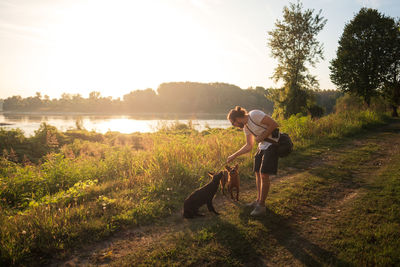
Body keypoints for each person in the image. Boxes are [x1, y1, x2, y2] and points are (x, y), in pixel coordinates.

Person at [226, 106, 279, 216]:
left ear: (237, 118)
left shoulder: (254, 114)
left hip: (273, 144)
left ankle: (262, 206)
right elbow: (249, 146)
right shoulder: (246, 127)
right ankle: (258, 200)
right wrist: (234, 155)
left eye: (233, 123)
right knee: (257, 173)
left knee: (264, 174)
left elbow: (274, 124)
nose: (234, 126)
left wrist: (262, 136)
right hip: (262, 146)